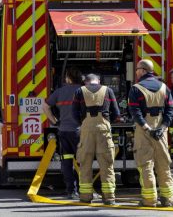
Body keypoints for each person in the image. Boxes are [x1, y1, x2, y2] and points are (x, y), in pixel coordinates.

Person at [128, 60, 173, 207]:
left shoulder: (136, 89)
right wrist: (163, 127)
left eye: (137, 69)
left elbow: (135, 112)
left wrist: (147, 128)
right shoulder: (164, 87)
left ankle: (149, 199)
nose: (136, 72)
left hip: (145, 131)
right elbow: (171, 109)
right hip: (161, 130)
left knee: (145, 164)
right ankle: (168, 199)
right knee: (163, 164)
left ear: (142, 71)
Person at [72, 74, 120, 205]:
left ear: (86, 81)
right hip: (103, 130)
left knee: (85, 165)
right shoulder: (108, 90)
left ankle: (86, 197)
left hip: (86, 130)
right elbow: (116, 113)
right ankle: (109, 198)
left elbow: (73, 113)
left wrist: (83, 123)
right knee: (107, 165)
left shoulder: (79, 91)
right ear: (98, 80)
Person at [43, 68, 82, 199]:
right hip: (79, 133)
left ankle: (70, 190)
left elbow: (46, 106)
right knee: (82, 162)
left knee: (67, 161)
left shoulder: (59, 92)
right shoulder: (84, 91)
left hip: (63, 132)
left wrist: (54, 121)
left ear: (68, 78)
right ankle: (84, 190)